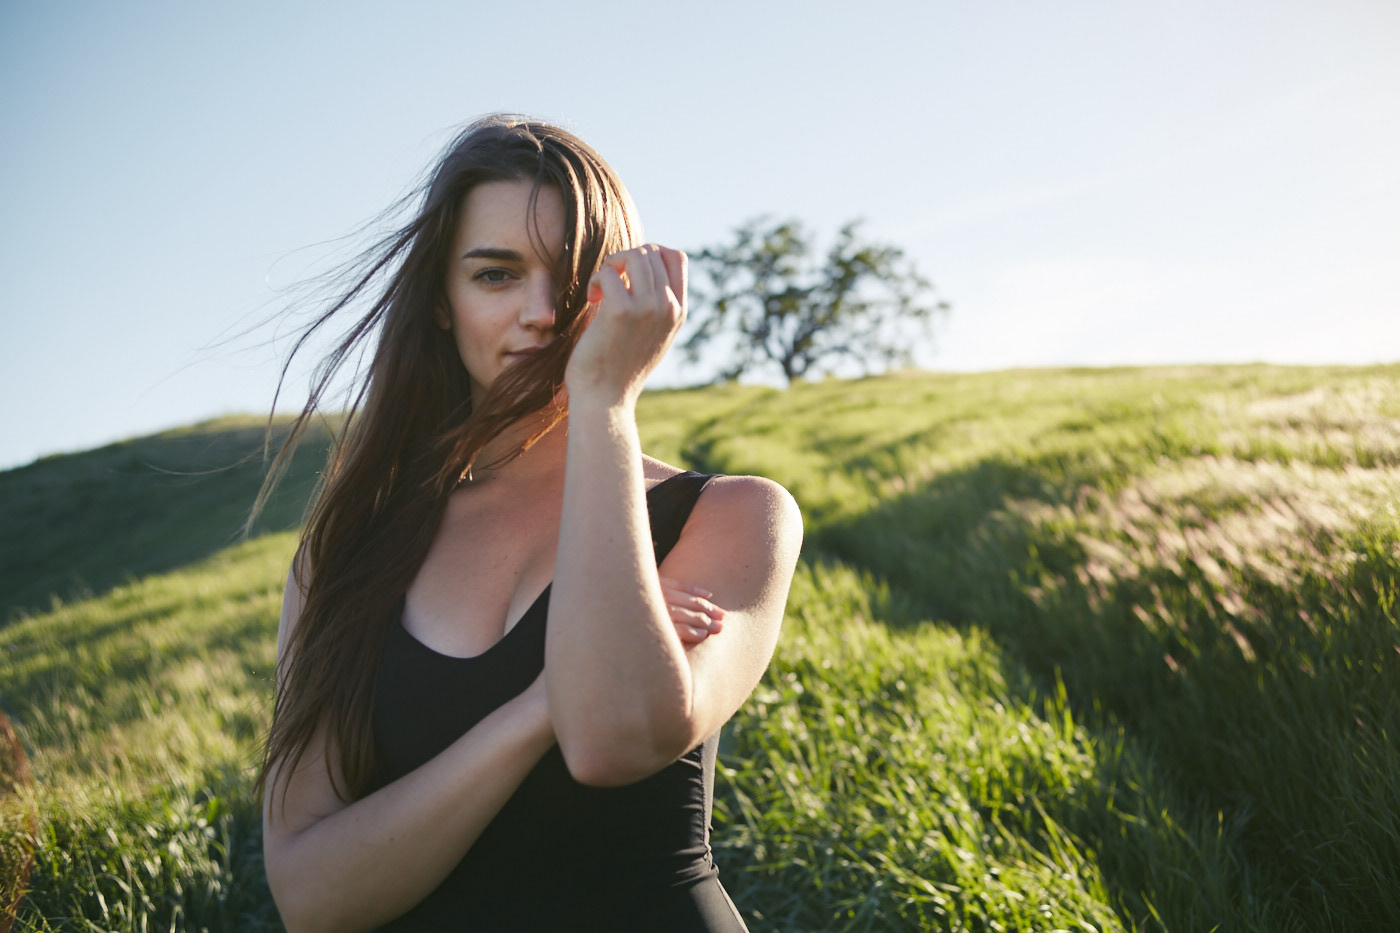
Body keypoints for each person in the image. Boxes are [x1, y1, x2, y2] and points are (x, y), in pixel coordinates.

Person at [255, 114, 803, 932]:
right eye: (496, 274)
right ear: (440, 302)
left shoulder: (734, 514)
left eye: (574, 276)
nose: (542, 312)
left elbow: (611, 738)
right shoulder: (346, 554)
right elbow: (310, 895)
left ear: (623, 292)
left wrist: (605, 402)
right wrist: (538, 703)